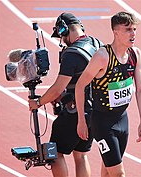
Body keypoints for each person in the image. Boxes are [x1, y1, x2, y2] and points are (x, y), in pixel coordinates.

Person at [28, 12, 103, 177]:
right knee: (81, 155)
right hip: (93, 113)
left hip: (74, 114)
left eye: (61, 36)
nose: (62, 41)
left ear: (63, 29)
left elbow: (57, 88)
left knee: (54, 152)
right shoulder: (96, 44)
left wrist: (39, 102)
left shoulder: (71, 54)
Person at [75, 11, 141, 177]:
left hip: (123, 120)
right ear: (116, 32)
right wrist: (81, 120)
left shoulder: (135, 54)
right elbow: (80, 86)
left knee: (108, 172)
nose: (133, 33)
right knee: (118, 173)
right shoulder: (102, 56)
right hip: (102, 123)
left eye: (134, 29)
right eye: (128, 29)